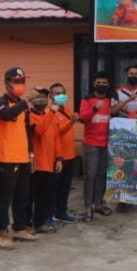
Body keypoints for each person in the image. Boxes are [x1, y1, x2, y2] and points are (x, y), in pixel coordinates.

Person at [0, 67, 39, 249]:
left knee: (22, 195)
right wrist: (25, 102)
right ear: (7, 83)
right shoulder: (0, 102)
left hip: (23, 157)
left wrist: (31, 154)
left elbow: (27, 131)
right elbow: (6, 115)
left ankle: (20, 228)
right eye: (16, 81)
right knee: (5, 196)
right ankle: (2, 232)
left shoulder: (23, 105)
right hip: (6, 157)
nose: (20, 85)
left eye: (22, 82)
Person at [27, 87, 63, 234]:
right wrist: (52, 112)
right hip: (34, 164)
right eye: (38, 96)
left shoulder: (50, 116)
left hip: (49, 163)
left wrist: (59, 158)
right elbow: (40, 130)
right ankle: (25, 224)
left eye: (44, 96)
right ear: (32, 99)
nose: (42, 99)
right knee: (29, 197)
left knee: (44, 196)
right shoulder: (29, 116)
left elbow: (56, 139)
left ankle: (40, 223)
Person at [79, 71, 113, 222]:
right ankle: (88, 207)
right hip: (91, 143)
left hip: (107, 143)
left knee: (102, 175)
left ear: (108, 85)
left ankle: (98, 204)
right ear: (93, 84)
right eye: (99, 82)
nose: (102, 85)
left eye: (104, 83)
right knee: (90, 175)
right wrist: (94, 109)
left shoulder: (111, 100)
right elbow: (83, 118)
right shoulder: (87, 99)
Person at [50, 83, 80, 224]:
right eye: (57, 93)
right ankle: (49, 213)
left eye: (62, 92)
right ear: (50, 97)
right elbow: (56, 133)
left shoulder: (68, 110)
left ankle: (61, 212)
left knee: (65, 187)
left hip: (70, 156)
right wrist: (71, 122)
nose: (60, 95)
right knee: (53, 188)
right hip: (57, 157)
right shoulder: (50, 113)